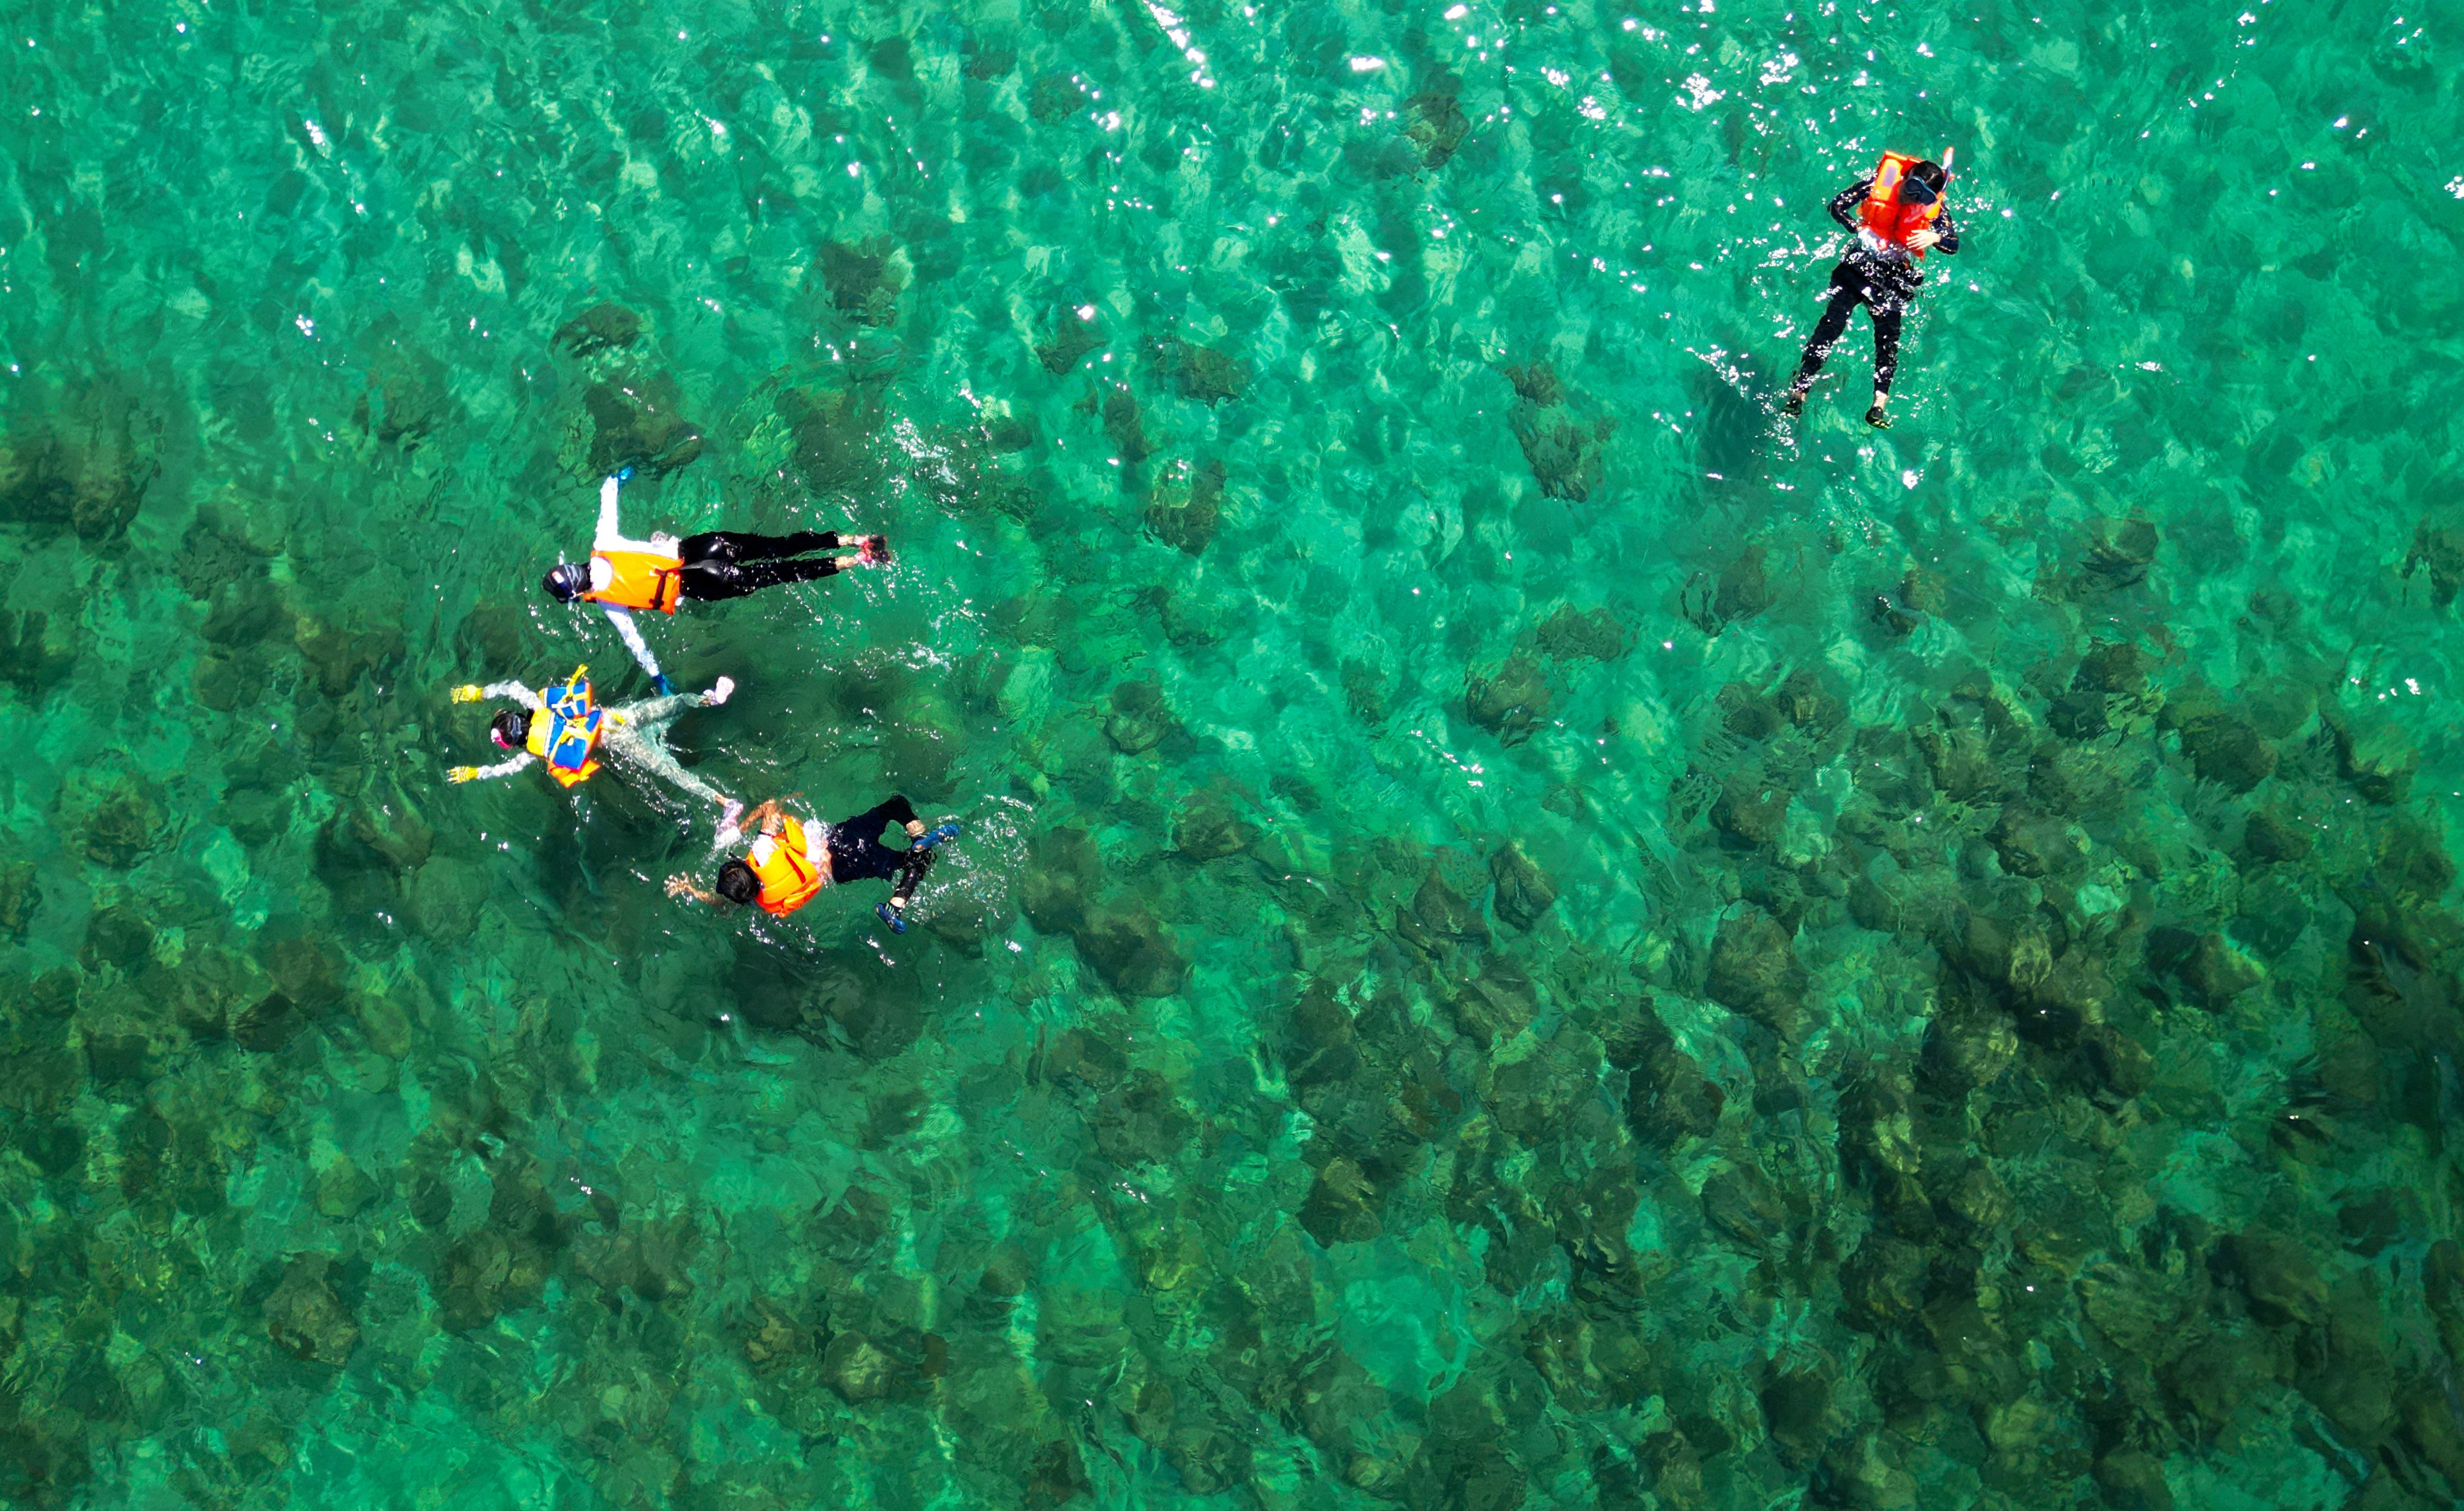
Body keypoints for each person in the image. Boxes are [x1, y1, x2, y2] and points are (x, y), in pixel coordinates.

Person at [542, 469, 891, 691]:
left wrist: (657, 677)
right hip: (700, 547)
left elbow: (635, 642)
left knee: (782, 573)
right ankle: (854, 538)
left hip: (703, 583)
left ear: (575, 593)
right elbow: (608, 497)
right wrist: (619, 477)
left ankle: (857, 560)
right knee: (777, 546)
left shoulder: (609, 602)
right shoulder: (603, 544)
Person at [1782, 150, 1962, 429]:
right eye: (1911, 188)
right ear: (1905, 176)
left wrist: (1935, 235)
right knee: (1831, 325)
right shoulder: (1877, 184)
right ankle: (1800, 391)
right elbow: (1837, 205)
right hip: (1858, 265)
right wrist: (1858, 229)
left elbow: (1953, 244)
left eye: (1921, 197)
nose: (1911, 199)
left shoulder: (1934, 213)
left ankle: (1879, 405)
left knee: (1888, 339)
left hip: (1894, 276)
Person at [448, 666, 744, 829]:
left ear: (515, 744)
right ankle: (708, 699)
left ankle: (724, 802)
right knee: (671, 706)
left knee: (672, 773)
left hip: (621, 744)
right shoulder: (537, 705)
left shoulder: (531, 752)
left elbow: (504, 769)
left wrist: (474, 773)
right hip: (617, 718)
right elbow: (511, 686)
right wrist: (477, 693)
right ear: (515, 716)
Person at [666, 795, 958, 934]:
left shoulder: (759, 903)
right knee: (896, 805)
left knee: (909, 863)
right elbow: (770, 806)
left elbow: (722, 905)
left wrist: (691, 890)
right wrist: (742, 828)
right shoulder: (763, 852)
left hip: (845, 870)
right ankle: (918, 835)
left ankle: (899, 897)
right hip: (841, 841)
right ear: (744, 866)